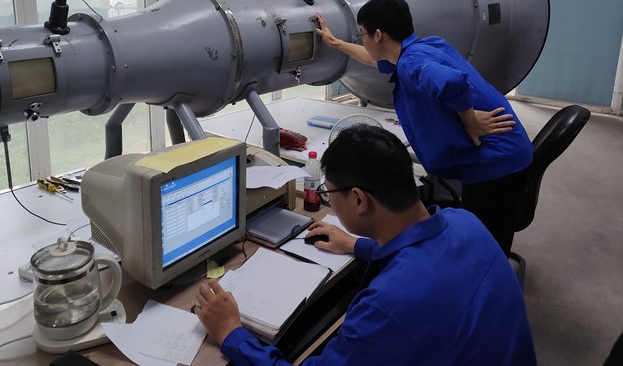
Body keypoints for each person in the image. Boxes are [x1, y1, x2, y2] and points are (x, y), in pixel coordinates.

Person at [194, 125, 536, 365]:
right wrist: (358, 245)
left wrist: (231, 333)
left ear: (359, 200)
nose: (328, 199)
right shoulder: (466, 222)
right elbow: (425, 253)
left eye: (328, 192)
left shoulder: (385, 307)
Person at [315, 0, 533, 255]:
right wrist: (334, 42)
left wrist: (470, 120)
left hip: (496, 163)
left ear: (378, 35)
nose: (361, 39)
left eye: (362, 34)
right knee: (483, 237)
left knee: (484, 247)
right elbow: (373, 58)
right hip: (504, 153)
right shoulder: (423, 47)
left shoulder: (411, 62)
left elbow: (452, 83)